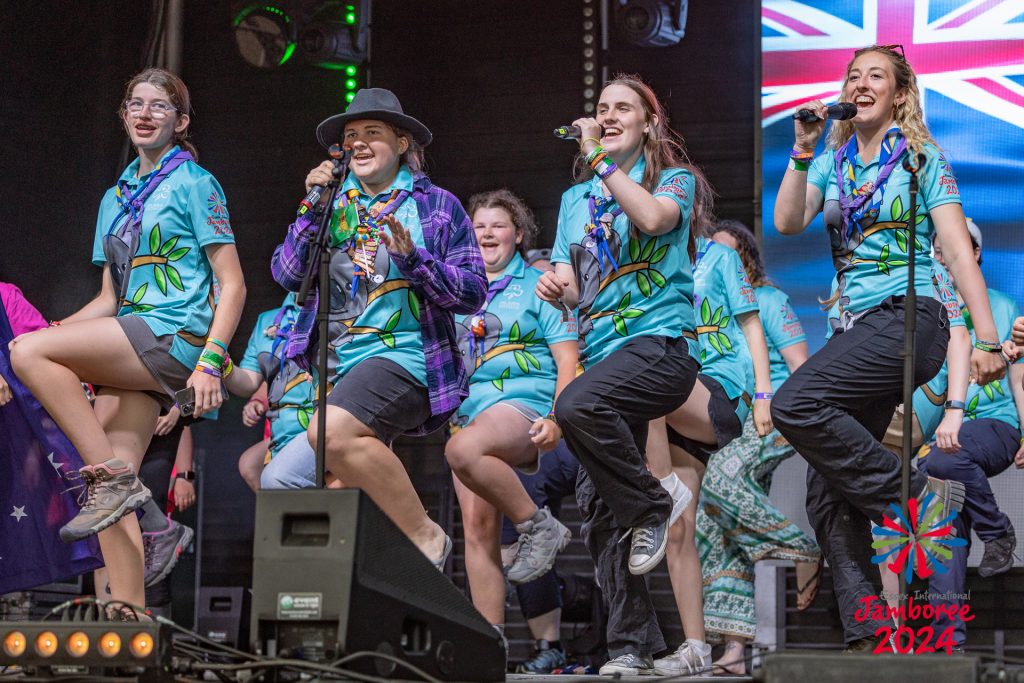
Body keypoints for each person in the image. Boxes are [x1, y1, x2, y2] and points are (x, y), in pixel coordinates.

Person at [770, 44, 1004, 651]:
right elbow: (788, 221)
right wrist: (803, 148)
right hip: (854, 327)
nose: (861, 82)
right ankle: (868, 638)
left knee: (796, 404)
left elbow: (955, 250)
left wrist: (987, 339)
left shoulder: (920, 157)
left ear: (899, 94)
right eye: (854, 74)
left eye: (876, 75)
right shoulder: (833, 159)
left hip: (912, 317)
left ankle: (920, 501)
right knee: (827, 493)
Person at [9, 69, 244, 614]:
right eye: (135, 104)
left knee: (26, 354)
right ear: (123, 115)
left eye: (159, 107)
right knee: (106, 486)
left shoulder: (195, 183)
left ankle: (114, 483)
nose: (144, 113)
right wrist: (56, 331)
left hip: (174, 334)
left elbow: (232, 283)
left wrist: (210, 362)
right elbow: (111, 299)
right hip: (129, 336)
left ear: (180, 121)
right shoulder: (114, 197)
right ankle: (129, 615)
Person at [536, 74, 713, 676]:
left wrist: (597, 160)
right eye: (601, 108)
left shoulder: (674, 180)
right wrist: (558, 288)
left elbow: (655, 220)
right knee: (597, 507)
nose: (607, 116)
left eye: (622, 109)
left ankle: (653, 505)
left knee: (575, 408)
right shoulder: (573, 201)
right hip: (605, 354)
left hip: (658, 347)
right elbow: (575, 285)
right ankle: (632, 646)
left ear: (648, 125)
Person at [270, 88, 487, 568]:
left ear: (403, 143)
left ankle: (425, 535)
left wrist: (414, 258)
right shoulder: (330, 206)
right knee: (279, 480)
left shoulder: (437, 206)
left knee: (331, 434)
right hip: (340, 369)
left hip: (408, 358)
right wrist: (310, 206)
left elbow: (473, 293)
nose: (359, 144)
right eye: (351, 136)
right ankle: (349, 585)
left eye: (373, 133)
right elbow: (286, 275)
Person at [659, 220, 823, 676]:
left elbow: (800, 366)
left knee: (721, 484)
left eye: (724, 254)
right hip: (731, 409)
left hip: (776, 412)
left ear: (744, 260)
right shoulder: (704, 309)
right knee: (715, 527)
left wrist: (775, 406)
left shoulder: (769, 303)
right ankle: (733, 650)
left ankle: (801, 550)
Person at [444, 189, 577, 648]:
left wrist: (558, 417)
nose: (486, 233)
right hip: (470, 411)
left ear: (518, 234)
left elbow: (567, 357)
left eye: (497, 224)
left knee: (461, 450)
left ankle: (537, 525)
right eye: (477, 226)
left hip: (526, 402)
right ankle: (491, 645)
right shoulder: (457, 294)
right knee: (478, 531)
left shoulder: (537, 282)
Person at [917, 222, 1023, 649]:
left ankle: (997, 532)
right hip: (945, 433)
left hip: (995, 426)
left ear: (974, 253)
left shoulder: (999, 306)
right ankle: (949, 645)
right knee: (943, 523)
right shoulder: (929, 314)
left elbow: (1019, 378)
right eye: (936, 251)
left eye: (951, 250)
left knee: (939, 461)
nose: (942, 258)